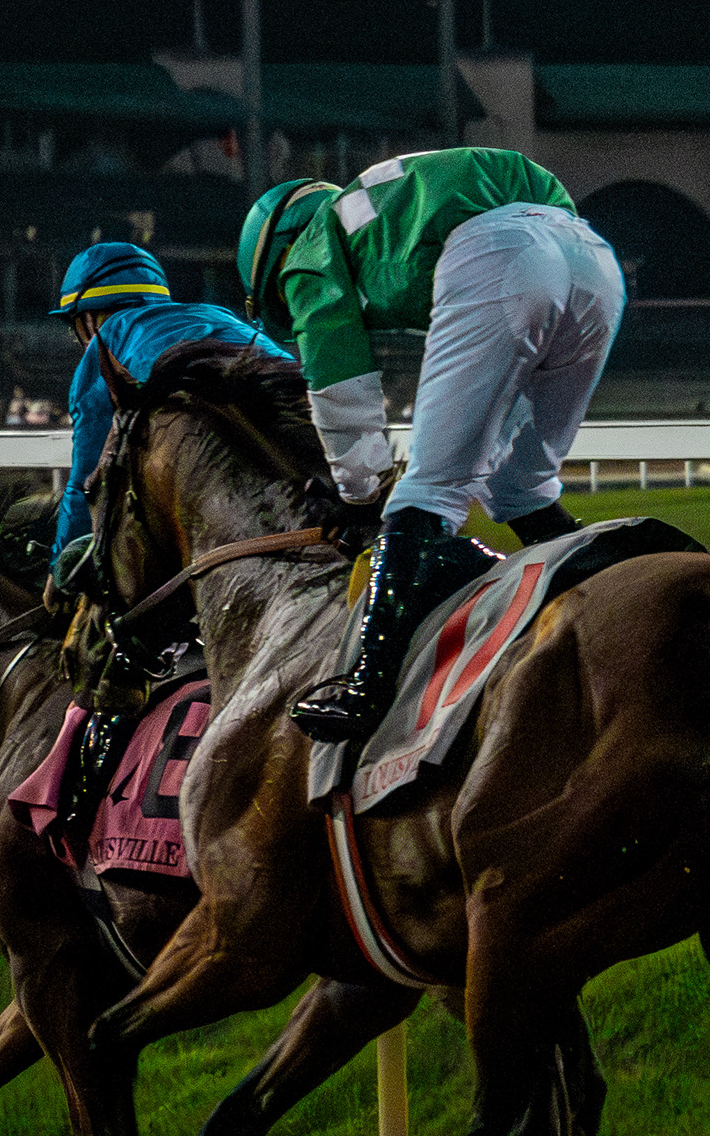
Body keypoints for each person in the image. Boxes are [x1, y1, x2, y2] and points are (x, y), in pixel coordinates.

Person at [238, 148, 625, 745]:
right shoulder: (375, 209)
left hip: (503, 256)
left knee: (427, 492)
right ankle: (611, 603)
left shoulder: (309, 245)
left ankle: (367, 684)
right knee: (519, 487)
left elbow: (338, 373)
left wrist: (361, 490)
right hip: (592, 257)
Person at [43, 242, 285, 608]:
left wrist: (60, 571)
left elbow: (85, 482)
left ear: (90, 317)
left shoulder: (102, 349)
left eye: (75, 323)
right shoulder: (217, 314)